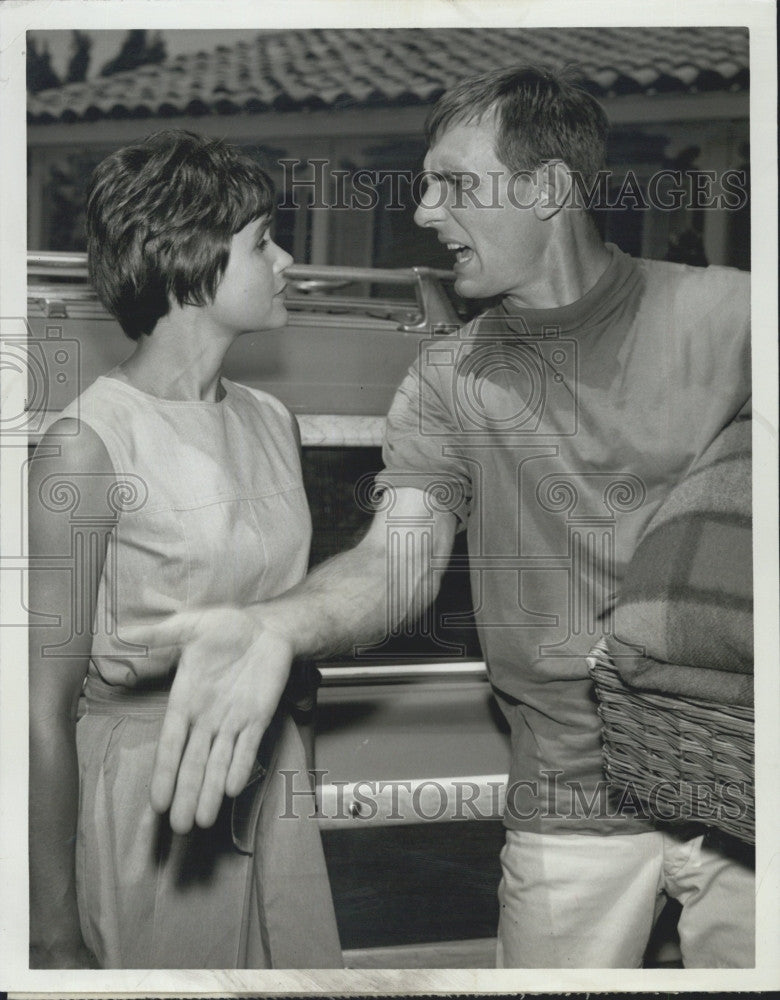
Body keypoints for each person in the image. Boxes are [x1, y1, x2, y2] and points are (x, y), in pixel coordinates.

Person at [135, 69, 754, 968]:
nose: (424, 212)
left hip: (746, 795)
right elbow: (400, 561)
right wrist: (275, 625)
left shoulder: (734, 319)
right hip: (570, 805)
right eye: (425, 184)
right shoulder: (446, 379)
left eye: (454, 184)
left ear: (546, 190)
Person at [27, 130, 342, 969]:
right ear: (186, 256)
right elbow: (37, 707)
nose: (285, 263)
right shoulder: (86, 444)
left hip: (269, 779)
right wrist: (50, 931)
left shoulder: (273, 422)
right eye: (262, 241)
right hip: (146, 799)